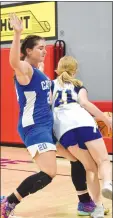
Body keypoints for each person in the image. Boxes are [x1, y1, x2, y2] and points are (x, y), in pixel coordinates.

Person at [1, 13, 57, 218]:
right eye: (40, 48)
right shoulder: (24, 69)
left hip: (47, 126)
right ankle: (9, 203)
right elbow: (15, 61)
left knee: (80, 158)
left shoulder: (36, 70)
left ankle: (86, 201)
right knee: (49, 173)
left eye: (45, 48)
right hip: (35, 127)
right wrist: (17, 34)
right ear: (28, 51)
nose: (45, 51)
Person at [52, 56, 112, 218]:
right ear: (75, 70)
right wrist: (105, 119)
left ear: (58, 68)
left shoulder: (50, 85)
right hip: (83, 122)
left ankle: (98, 209)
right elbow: (85, 104)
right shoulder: (77, 85)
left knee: (89, 167)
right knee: (103, 161)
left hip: (63, 129)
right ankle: (108, 183)